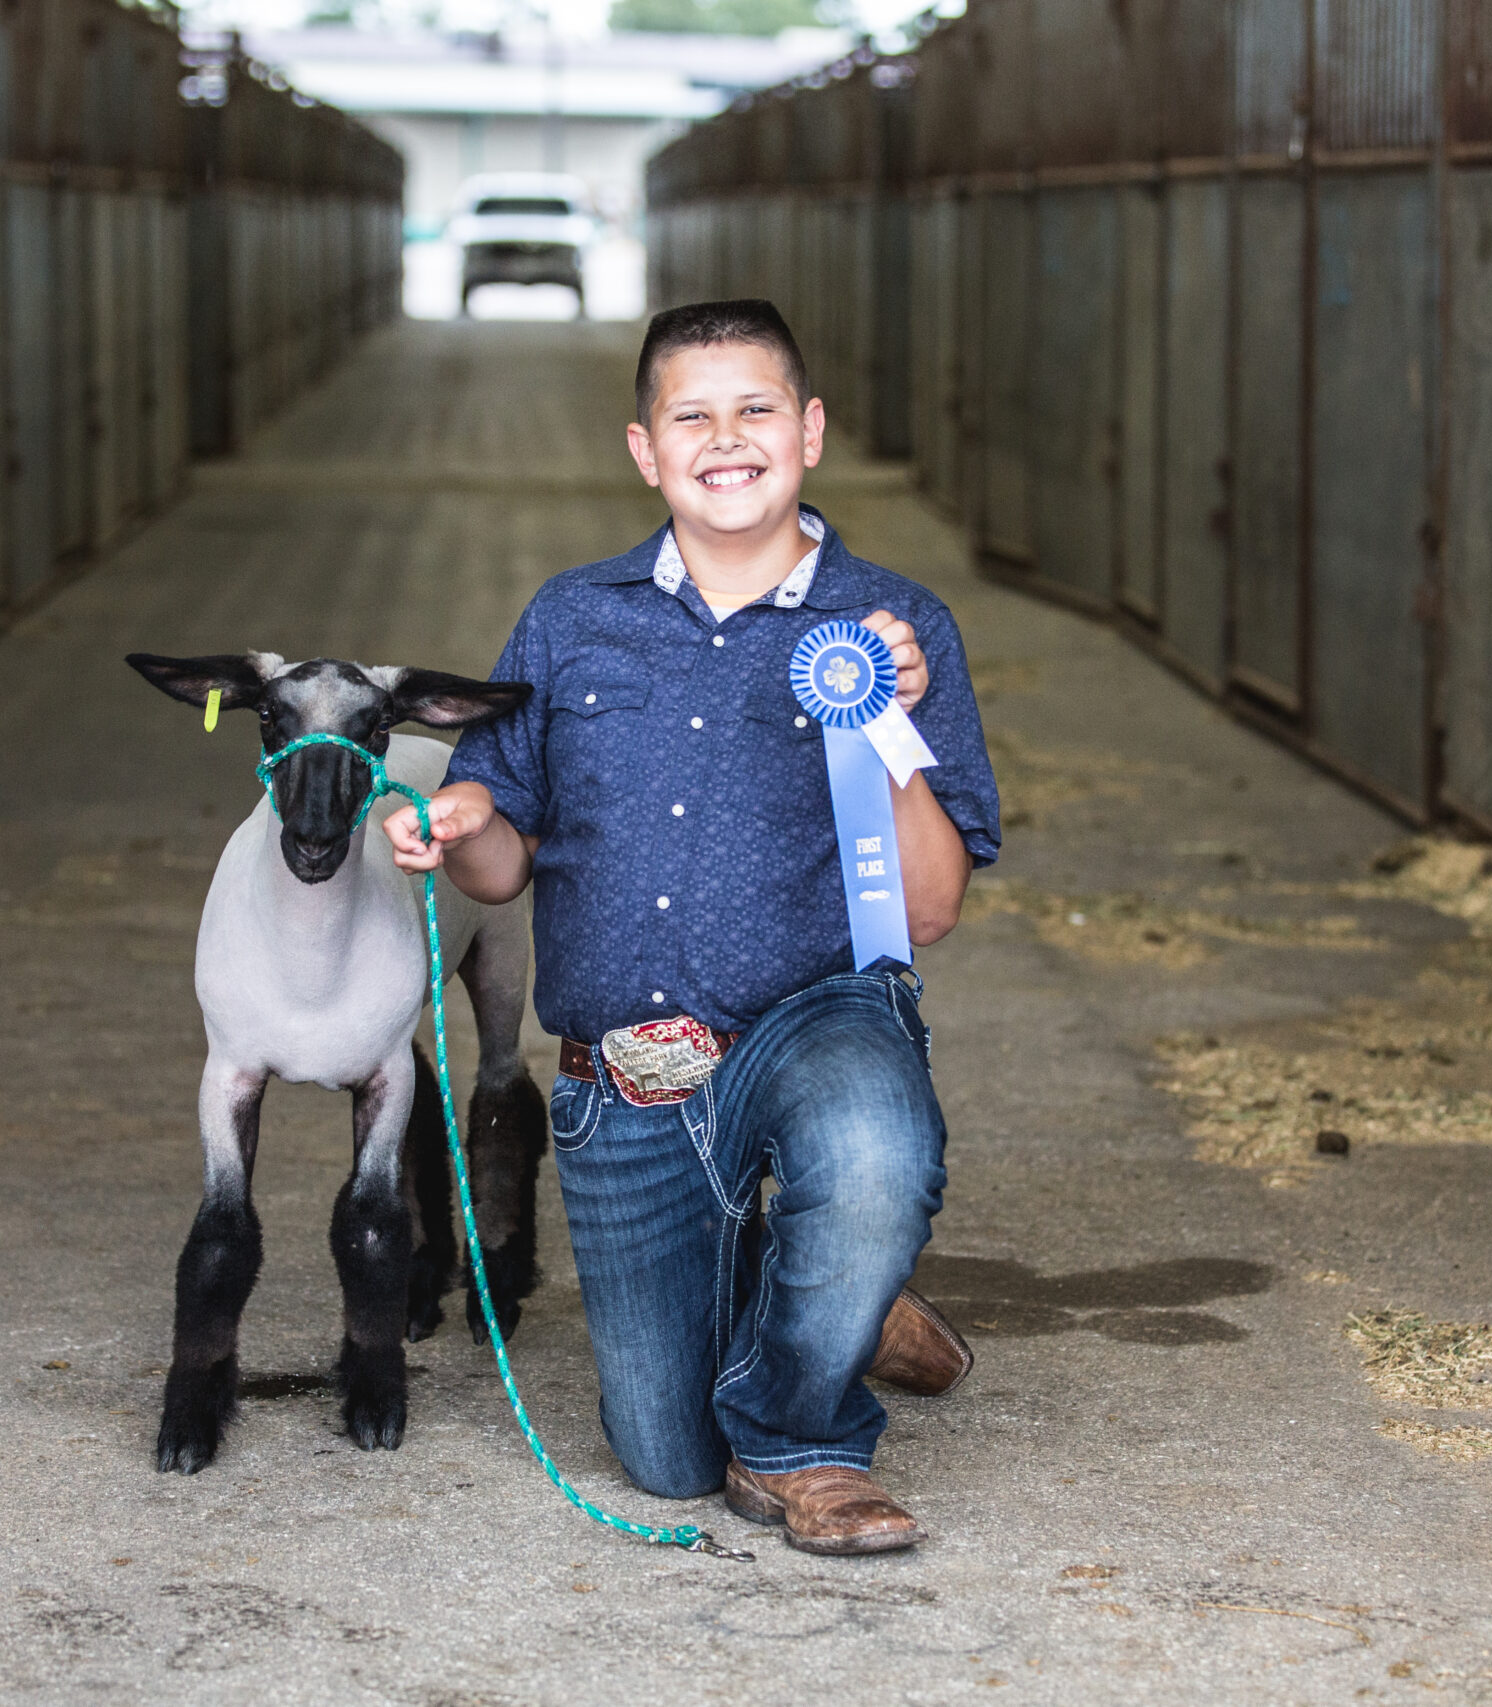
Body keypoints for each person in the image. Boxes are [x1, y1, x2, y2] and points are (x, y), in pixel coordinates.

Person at [382, 299, 1001, 1555]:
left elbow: (928, 908)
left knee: (875, 1146)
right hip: (632, 1071)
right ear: (645, 450)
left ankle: (802, 1441)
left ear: (810, 431)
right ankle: (829, 1286)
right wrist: (453, 819)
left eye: (758, 408)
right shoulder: (572, 618)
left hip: (814, 1017)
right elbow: (501, 870)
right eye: (692, 416)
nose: (729, 439)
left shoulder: (892, 625)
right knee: (665, 1457)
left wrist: (889, 728)